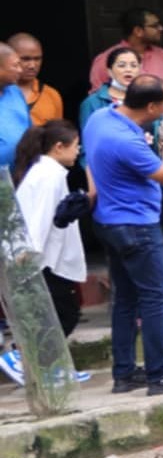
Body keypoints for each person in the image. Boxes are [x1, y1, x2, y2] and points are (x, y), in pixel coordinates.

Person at [86, 77, 163, 395]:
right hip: (136, 224)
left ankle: (124, 373)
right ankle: (159, 373)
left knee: (125, 298)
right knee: (157, 298)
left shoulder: (101, 118)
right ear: (151, 106)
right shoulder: (125, 140)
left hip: (109, 221)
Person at [3, 122, 93, 386]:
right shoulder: (48, 176)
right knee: (62, 315)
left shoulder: (46, 172)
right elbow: (38, 218)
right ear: (59, 147)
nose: (78, 152)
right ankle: (20, 358)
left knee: (58, 314)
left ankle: (52, 368)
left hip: (49, 256)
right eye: (76, 146)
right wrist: (30, 254)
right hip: (46, 260)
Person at [88, 8, 163, 94]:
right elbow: (98, 98)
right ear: (138, 31)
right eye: (155, 26)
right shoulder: (106, 59)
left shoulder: (162, 55)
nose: (161, 28)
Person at [80, 45, 137, 140]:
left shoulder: (147, 100)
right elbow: (88, 142)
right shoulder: (92, 103)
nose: (128, 69)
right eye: (122, 65)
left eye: (134, 66)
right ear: (109, 71)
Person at [7, 35, 63, 126]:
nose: (32, 65)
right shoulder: (2, 92)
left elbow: (57, 134)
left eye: (37, 59)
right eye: (25, 59)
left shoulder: (51, 95)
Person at [0, 44, 29, 171]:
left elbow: (28, 129)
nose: (20, 70)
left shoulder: (15, 92)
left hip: (21, 177)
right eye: (15, 65)